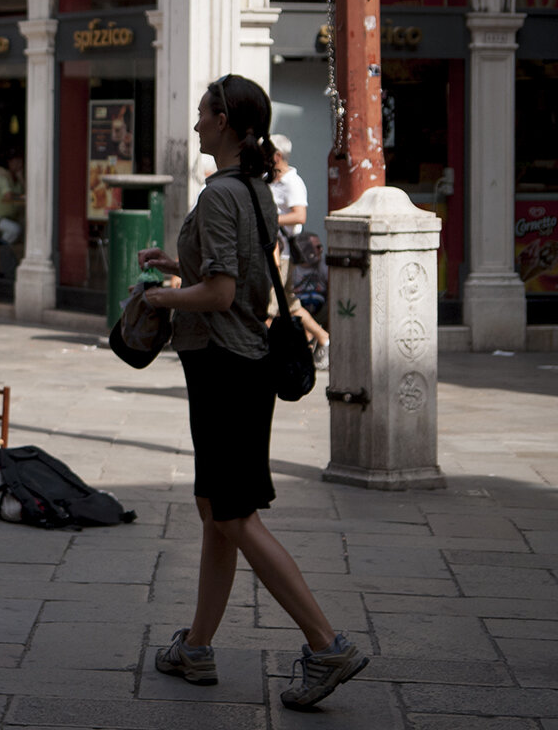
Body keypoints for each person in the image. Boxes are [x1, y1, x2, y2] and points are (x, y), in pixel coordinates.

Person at [137, 74, 367, 710]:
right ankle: (197, 647)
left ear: (229, 123)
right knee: (216, 511)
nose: (196, 125)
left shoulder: (220, 195)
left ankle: (326, 645)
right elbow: (230, 276)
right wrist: (177, 266)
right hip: (244, 364)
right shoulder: (258, 190)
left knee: (234, 514)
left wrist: (160, 296)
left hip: (221, 367)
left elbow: (220, 295)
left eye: (205, 114)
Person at [269, 134, 330, 369]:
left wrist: (271, 219)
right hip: (275, 251)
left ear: (277, 156)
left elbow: (299, 216)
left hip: (282, 254)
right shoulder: (272, 180)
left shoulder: (292, 183)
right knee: (290, 303)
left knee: (270, 305)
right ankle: (323, 337)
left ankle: (262, 356)